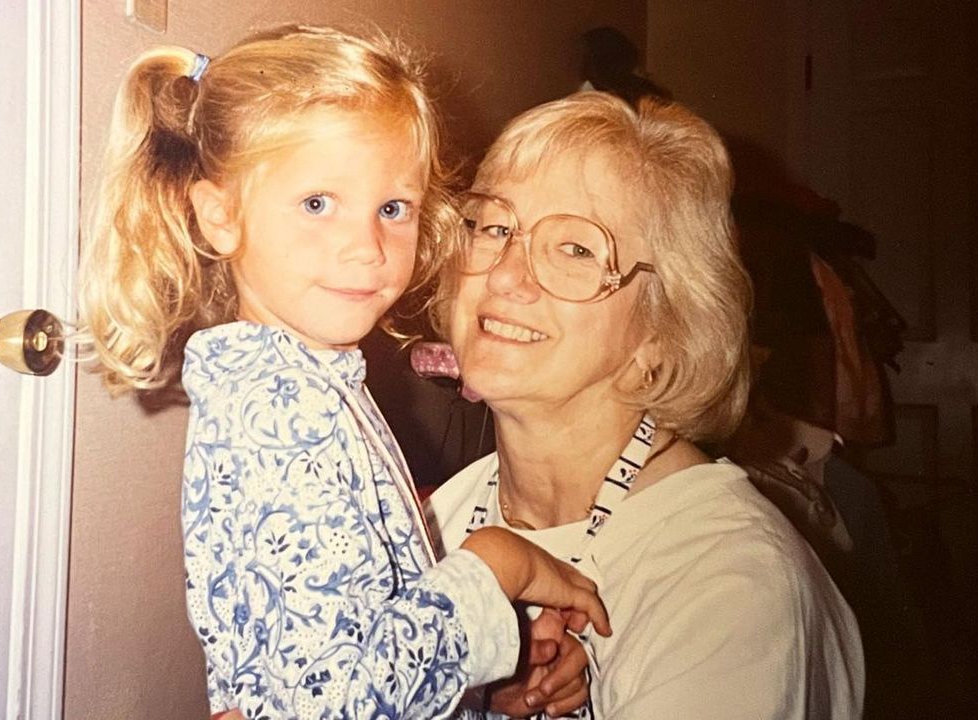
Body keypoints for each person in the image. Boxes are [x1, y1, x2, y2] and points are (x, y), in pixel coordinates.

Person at [78, 26, 611, 720]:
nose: (367, 247)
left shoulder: (309, 382)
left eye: (392, 209)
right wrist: (496, 564)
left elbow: (358, 636)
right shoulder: (283, 414)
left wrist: (488, 672)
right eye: (317, 204)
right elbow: (345, 701)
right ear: (221, 217)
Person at [427, 91, 865, 718]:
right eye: (495, 227)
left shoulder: (728, 586)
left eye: (577, 249)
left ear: (663, 328)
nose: (503, 275)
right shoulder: (442, 522)